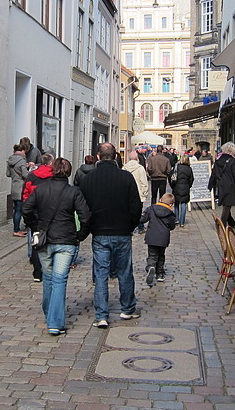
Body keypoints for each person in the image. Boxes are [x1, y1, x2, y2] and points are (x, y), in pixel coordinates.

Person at [22, 157, 91, 336]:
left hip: (46, 240)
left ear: (52, 171)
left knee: (49, 277)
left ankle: (49, 314)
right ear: (68, 172)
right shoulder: (74, 192)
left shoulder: (41, 189)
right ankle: (55, 322)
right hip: (66, 240)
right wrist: (80, 236)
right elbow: (86, 217)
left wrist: (36, 227)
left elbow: (26, 209)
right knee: (59, 279)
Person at [79, 142, 143, 328]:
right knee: (124, 271)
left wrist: (89, 227)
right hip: (122, 231)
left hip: (99, 232)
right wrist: (130, 225)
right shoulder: (126, 178)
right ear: (115, 157)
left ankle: (101, 315)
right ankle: (127, 309)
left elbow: (83, 208)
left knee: (100, 274)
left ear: (98, 157)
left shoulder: (89, 179)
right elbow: (136, 206)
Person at [23, 153, 55, 281]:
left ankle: (37, 272)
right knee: (51, 241)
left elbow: (25, 195)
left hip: (35, 213)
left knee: (37, 242)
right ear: (51, 163)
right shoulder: (54, 176)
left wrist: (28, 215)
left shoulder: (31, 176)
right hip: (50, 213)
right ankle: (50, 270)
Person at [140, 192, 177, 286]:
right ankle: (160, 274)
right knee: (161, 255)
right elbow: (172, 226)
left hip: (151, 237)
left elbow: (142, 219)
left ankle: (151, 267)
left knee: (152, 254)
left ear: (160, 200)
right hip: (163, 238)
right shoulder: (170, 214)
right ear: (171, 204)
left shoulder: (151, 209)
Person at [207, 142, 235, 227]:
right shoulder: (232, 161)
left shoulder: (218, 159)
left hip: (220, 184)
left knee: (226, 204)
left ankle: (231, 222)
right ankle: (222, 224)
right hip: (229, 185)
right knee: (227, 206)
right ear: (232, 150)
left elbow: (214, 173)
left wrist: (210, 184)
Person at [123, 150, 149, 234]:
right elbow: (144, 182)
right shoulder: (140, 168)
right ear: (137, 158)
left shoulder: (124, 168)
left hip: (127, 193)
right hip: (138, 193)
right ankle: (140, 227)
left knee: (127, 211)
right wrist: (145, 193)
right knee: (138, 211)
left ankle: (128, 227)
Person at [6, 144, 29, 237]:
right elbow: (25, 175)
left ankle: (16, 228)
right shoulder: (22, 161)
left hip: (14, 186)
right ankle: (17, 230)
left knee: (16, 209)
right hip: (21, 187)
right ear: (22, 151)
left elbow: (8, 174)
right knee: (19, 210)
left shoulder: (10, 160)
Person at [169, 154, 194, 227]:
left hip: (176, 187)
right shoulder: (189, 169)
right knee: (183, 204)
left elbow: (171, 177)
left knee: (176, 203)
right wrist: (188, 186)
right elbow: (191, 179)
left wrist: (172, 186)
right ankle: (182, 222)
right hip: (185, 187)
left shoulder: (177, 167)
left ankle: (176, 219)